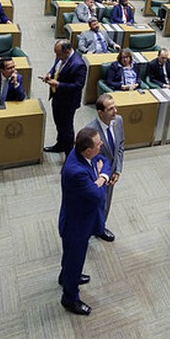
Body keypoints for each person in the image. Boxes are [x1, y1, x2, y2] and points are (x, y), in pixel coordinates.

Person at [58, 127, 110, 316]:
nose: (101, 145)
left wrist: (100, 177)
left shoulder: (82, 153)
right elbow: (98, 197)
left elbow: (104, 162)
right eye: (98, 144)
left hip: (80, 219)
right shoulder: (76, 172)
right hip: (76, 226)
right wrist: (101, 180)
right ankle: (69, 298)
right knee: (75, 260)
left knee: (70, 258)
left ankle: (65, 276)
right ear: (87, 150)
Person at [79, 94, 124, 242]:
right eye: (111, 109)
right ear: (100, 112)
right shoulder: (89, 131)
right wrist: (100, 177)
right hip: (96, 178)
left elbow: (120, 145)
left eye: (115, 107)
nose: (115, 111)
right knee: (91, 204)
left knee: (106, 203)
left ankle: (100, 228)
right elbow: (85, 160)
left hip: (111, 175)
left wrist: (117, 169)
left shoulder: (118, 121)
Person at [43, 40, 87, 155]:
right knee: (58, 123)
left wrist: (58, 84)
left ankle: (69, 155)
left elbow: (78, 86)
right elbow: (55, 68)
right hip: (57, 96)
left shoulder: (79, 64)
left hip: (68, 101)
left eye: (58, 54)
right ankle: (60, 145)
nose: (56, 56)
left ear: (67, 52)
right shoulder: (60, 57)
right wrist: (50, 73)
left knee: (67, 127)